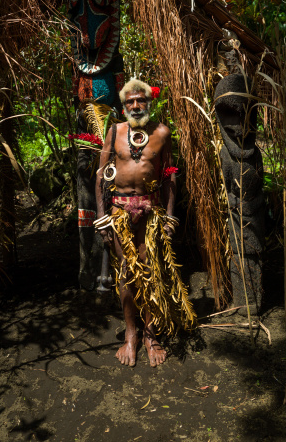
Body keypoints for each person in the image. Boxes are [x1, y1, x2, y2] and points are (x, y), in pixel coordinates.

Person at [95, 78, 196, 368]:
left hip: (150, 213)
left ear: (149, 103)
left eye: (141, 100)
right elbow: (101, 175)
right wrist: (102, 219)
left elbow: (169, 176)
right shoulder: (114, 131)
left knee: (151, 271)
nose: (136, 106)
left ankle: (151, 335)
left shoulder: (162, 132)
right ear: (124, 105)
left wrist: (170, 216)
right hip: (119, 212)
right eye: (130, 102)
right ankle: (131, 335)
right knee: (126, 272)